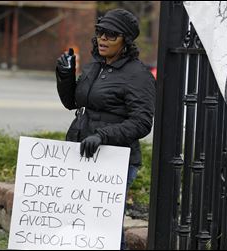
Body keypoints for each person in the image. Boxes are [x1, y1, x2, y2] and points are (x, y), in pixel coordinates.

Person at [55, 8, 156, 250]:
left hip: (114, 160)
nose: (102, 39)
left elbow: (142, 122)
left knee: (104, 223)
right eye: (100, 32)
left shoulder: (138, 75)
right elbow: (73, 103)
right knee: (77, 218)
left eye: (111, 35)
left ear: (126, 41)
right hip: (82, 152)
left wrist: (103, 136)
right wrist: (65, 76)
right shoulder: (94, 66)